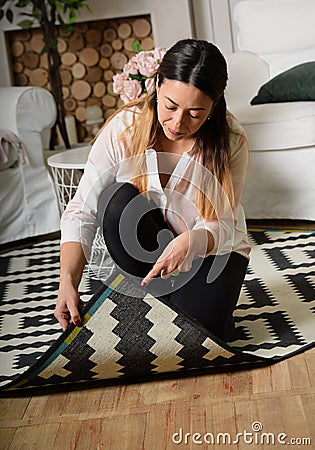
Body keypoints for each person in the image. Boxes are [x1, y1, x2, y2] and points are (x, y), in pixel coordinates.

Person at [54, 39, 251, 340]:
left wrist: (192, 241)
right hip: (143, 254)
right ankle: (157, 306)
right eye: (170, 106)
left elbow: (224, 225)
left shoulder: (231, 140)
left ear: (214, 104)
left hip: (207, 256)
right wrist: (67, 280)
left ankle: (165, 310)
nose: (177, 122)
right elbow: (83, 209)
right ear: (157, 85)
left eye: (195, 113)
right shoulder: (124, 129)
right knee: (115, 200)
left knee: (194, 341)